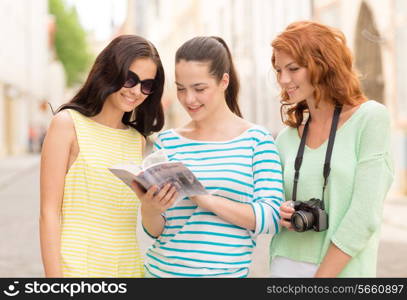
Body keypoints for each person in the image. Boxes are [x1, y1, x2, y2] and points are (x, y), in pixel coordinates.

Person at [131, 36, 284, 278]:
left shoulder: (256, 140)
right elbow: (156, 231)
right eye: (181, 88)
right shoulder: (168, 141)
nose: (189, 99)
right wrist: (149, 208)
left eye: (199, 89)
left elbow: (272, 217)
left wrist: (205, 199)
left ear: (224, 81)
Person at [39, 35, 174, 277]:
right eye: (130, 79)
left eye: (146, 85)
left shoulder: (138, 140)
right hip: (77, 272)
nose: (136, 91)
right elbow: (48, 214)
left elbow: (140, 221)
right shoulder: (67, 125)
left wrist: (154, 205)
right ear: (110, 70)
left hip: (129, 271)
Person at [269, 21, 394, 277]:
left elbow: (364, 216)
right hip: (284, 266)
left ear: (322, 64)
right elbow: (268, 206)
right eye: (279, 70)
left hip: (342, 272)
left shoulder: (370, 119)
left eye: (293, 68)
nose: (283, 79)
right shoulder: (286, 138)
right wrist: (279, 211)